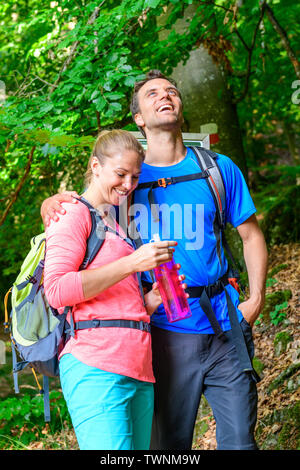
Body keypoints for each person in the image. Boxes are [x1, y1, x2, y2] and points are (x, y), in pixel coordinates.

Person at [41, 71, 268, 451]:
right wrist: (50, 203)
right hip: (163, 330)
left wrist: (256, 299)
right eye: (152, 93)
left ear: (180, 107)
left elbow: (251, 236)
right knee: (168, 445)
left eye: (172, 91)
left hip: (226, 323)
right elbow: (82, 214)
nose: (166, 95)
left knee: (242, 441)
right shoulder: (127, 180)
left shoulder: (216, 168)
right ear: (139, 118)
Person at [43, 129, 184, 451]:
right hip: (96, 366)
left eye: (134, 177)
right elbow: (57, 290)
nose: (128, 185)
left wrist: (150, 301)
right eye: (120, 174)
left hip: (137, 366)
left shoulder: (114, 224)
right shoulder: (71, 214)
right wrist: (133, 263)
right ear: (95, 166)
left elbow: (110, 299)